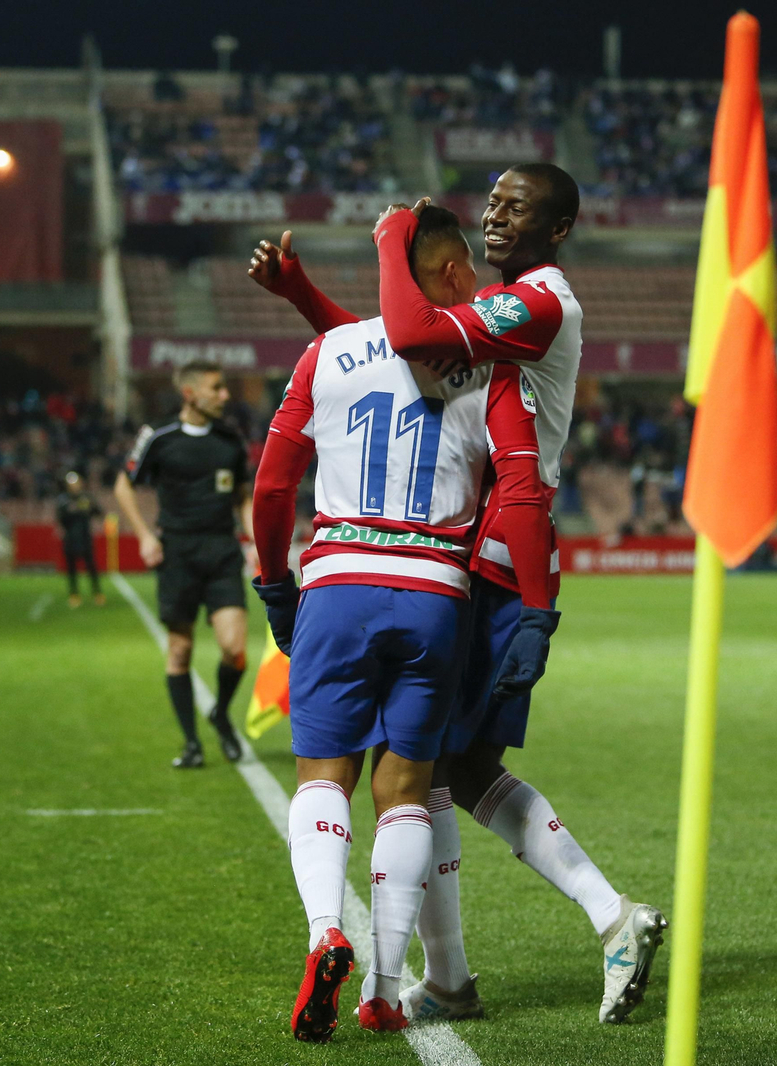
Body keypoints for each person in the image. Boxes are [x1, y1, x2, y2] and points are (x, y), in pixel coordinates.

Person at [247, 163, 665, 1025]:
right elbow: (385, 351)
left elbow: (403, 335)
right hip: (461, 567)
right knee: (437, 771)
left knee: (441, 772)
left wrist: (388, 236)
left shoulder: (537, 302)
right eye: (492, 204)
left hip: (499, 561)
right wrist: (304, 299)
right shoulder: (497, 319)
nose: (495, 217)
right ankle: (449, 979)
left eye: (517, 207)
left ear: (558, 228)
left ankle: (606, 916)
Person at [249, 203, 560, 1041]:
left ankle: (326, 932)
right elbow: (524, 492)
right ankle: (385, 986)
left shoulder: (328, 351)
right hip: (435, 597)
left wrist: (274, 584)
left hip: (339, 583)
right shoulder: (491, 367)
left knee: (324, 778)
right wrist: (538, 612)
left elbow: (273, 486)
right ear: (454, 274)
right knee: (408, 794)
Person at [114, 362, 251, 768]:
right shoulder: (158, 436)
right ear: (189, 394)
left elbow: (243, 496)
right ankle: (192, 743)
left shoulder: (230, 439)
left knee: (235, 649)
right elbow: (124, 485)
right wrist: (144, 535)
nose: (225, 395)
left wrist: (254, 541)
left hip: (222, 550)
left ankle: (220, 713)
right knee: (180, 650)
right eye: (216, 388)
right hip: (178, 552)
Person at [56, 472, 104, 607]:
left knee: (91, 567)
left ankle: (97, 592)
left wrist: (91, 506)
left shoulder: (86, 498)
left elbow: (98, 512)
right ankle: (74, 594)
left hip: (85, 537)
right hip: (70, 538)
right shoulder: (63, 500)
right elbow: (60, 518)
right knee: (71, 568)